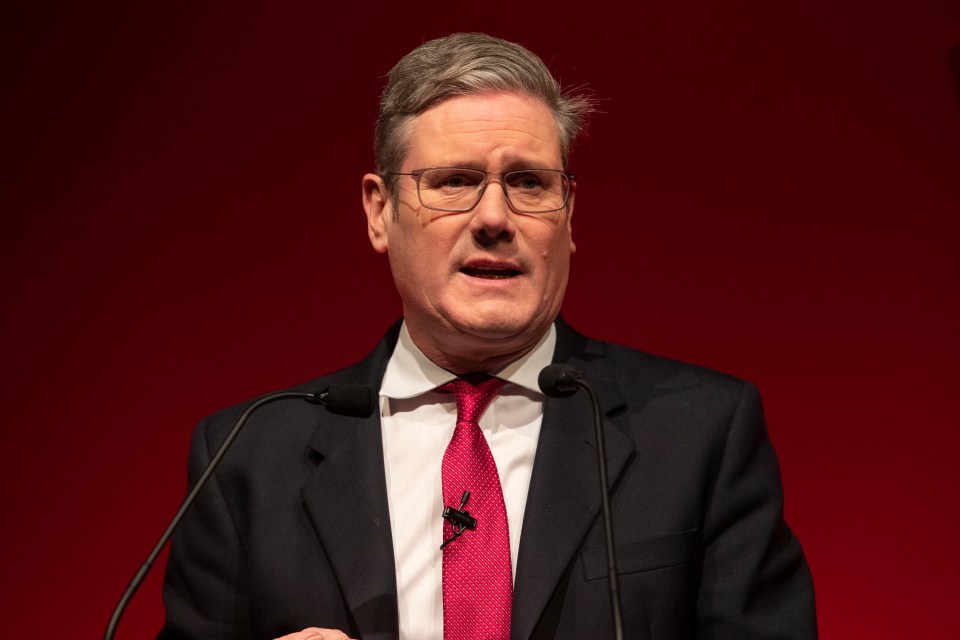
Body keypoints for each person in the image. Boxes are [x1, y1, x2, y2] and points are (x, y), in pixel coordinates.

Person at [158, 33, 816, 640]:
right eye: (454, 182)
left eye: (529, 182)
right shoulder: (245, 457)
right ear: (379, 211)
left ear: (569, 214)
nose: (495, 217)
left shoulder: (700, 432)